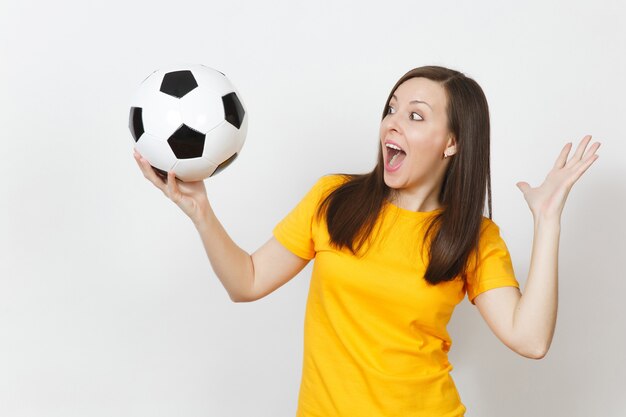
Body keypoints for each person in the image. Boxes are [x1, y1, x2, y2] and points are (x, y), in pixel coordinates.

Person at [133, 65, 600, 417]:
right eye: (391, 108)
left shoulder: (473, 238)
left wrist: (547, 220)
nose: (392, 123)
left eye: (415, 115)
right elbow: (247, 282)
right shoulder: (333, 199)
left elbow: (531, 339)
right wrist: (201, 211)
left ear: (452, 142)